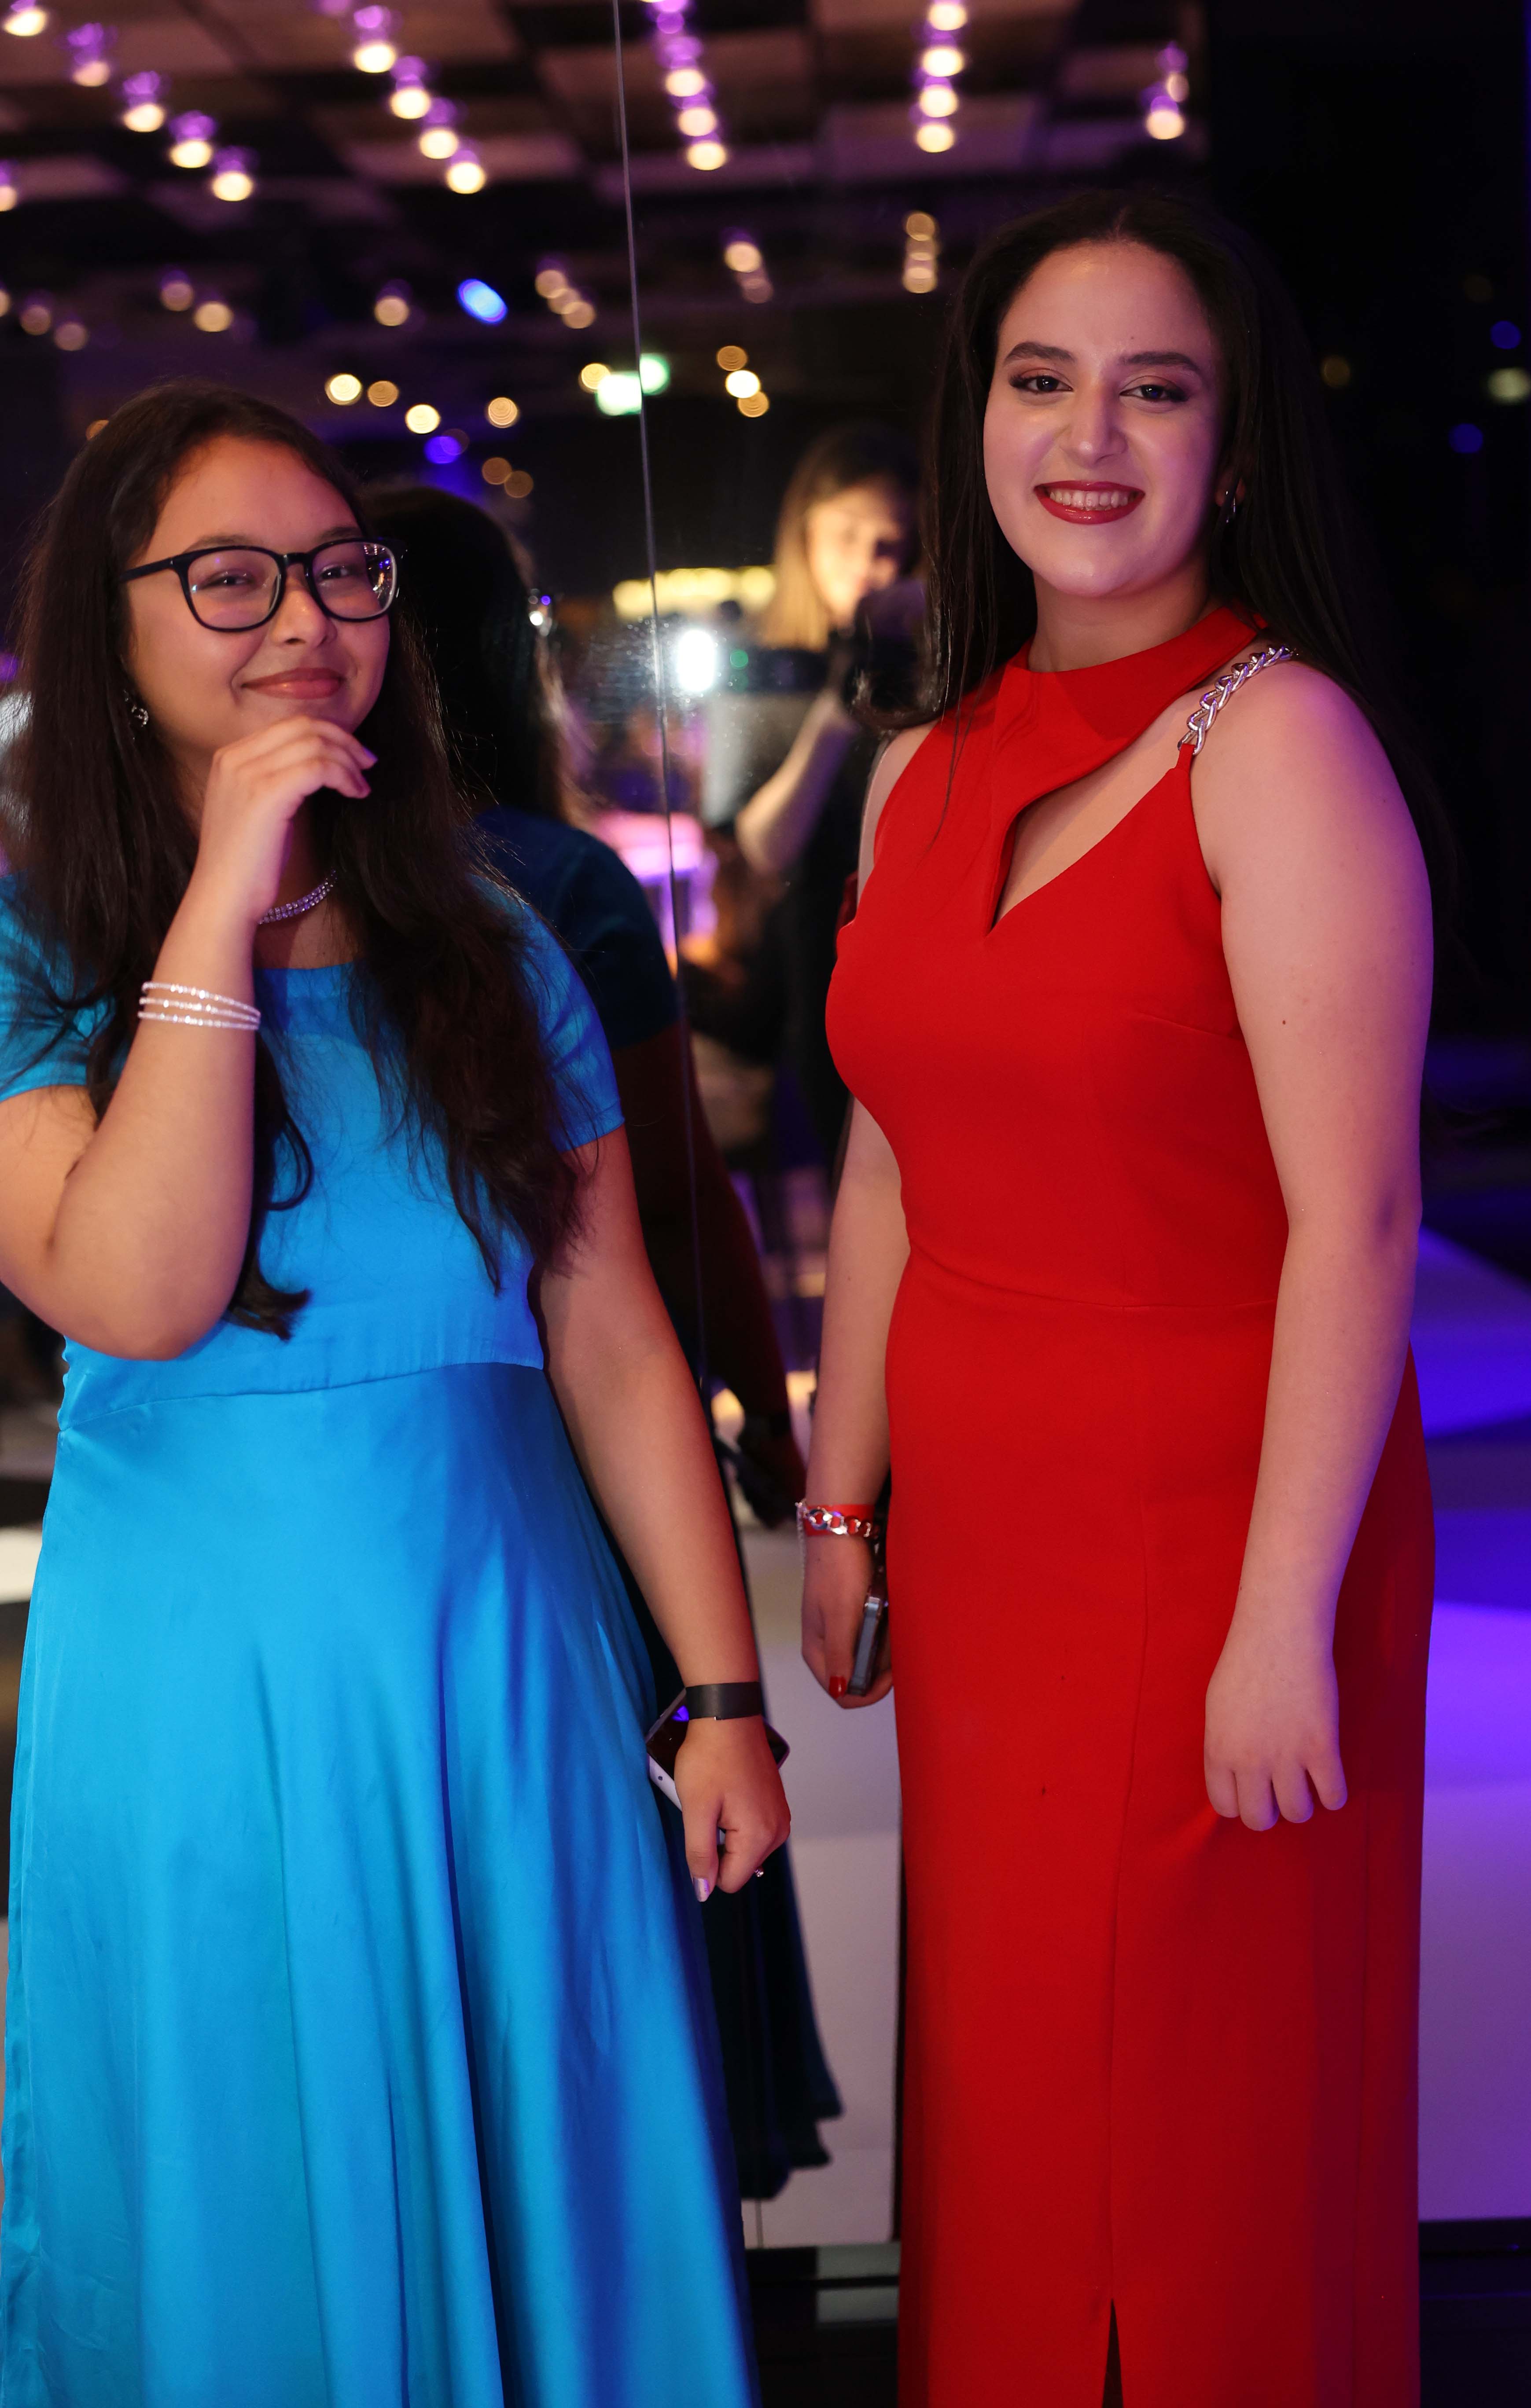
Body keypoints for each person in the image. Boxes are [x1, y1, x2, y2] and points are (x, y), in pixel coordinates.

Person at [0, 380, 785, 2406]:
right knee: (258, 2205)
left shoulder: (489, 943)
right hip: (205, 1702)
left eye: (339, 573)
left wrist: (720, 1695)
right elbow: (137, 1287)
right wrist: (223, 891)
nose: (303, 619)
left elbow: (613, 1331)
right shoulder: (32, 954)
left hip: (502, 1671)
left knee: (551, 2191)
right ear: (110, 629)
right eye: (230, 579)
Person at [803, 191, 1448, 2408]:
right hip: (993, 1543)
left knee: (1205, 2129)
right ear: (976, 419)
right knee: (1008, 2100)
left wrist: (1281, 1613)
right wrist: (842, 1499)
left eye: (1154, 390)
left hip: (1226, 1529)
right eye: (1041, 381)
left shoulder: (1280, 744)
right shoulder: (918, 769)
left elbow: (1359, 1221)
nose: (1089, 437)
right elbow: (886, 1158)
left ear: (1233, 450)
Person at [361, 482, 840, 2199]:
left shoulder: (333, 887)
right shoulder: (553, 879)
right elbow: (676, 1206)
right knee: (621, 1888)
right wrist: (768, 1420)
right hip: (564, 1459)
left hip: (421, 1465)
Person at [710, 425, 921, 1165]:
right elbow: (766, 847)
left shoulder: (930, 659)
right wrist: (836, 715)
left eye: (890, 543)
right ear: (804, 535)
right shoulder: (765, 664)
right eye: (846, 535)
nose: (867, 564)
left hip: (919, 965)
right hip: (815, 973)